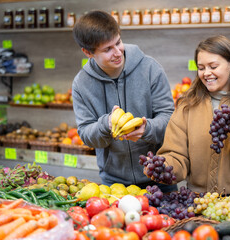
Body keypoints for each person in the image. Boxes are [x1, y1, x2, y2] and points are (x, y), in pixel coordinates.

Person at [147, 35, 230, 198]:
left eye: (213, 66)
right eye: (201, 68)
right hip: (196, 200)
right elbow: (176, 155)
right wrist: (163, 167)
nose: (206, 73)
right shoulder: (187, 107)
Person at [71, 10, 176, 192]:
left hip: (159, 177)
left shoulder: (150, 68)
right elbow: (86, 133)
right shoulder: (81, 84)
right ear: (88, 52)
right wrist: (106, 124)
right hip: (114, 183)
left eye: (118, 42)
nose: (118, 52)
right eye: (107, 49)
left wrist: (148, 129)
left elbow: (170, 117)